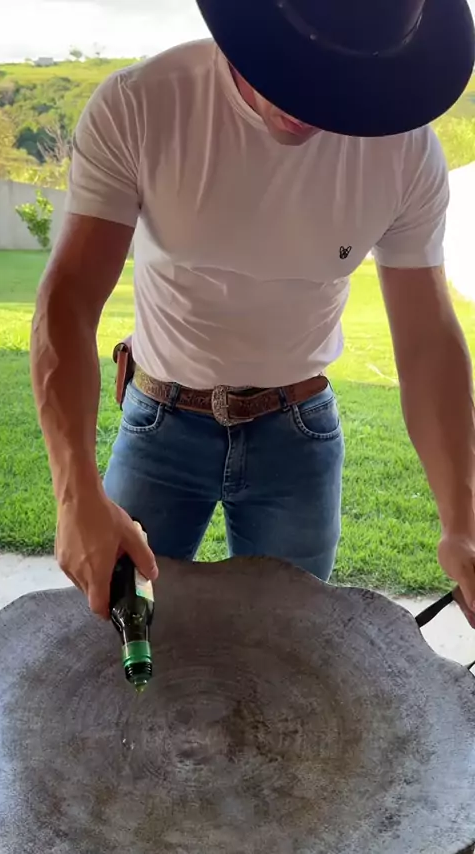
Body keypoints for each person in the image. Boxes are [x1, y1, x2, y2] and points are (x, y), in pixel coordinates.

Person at [31, 0, 475, 623]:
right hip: (160, 418)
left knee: (289, 646)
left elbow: (427, 338)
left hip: (298, 432)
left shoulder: (405, 152)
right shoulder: (141, 105)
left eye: (343, 79)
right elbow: (70, 300)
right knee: (117, 629)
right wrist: (75, 493)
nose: (309, 104)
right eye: (292, 68)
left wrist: (464, 520)